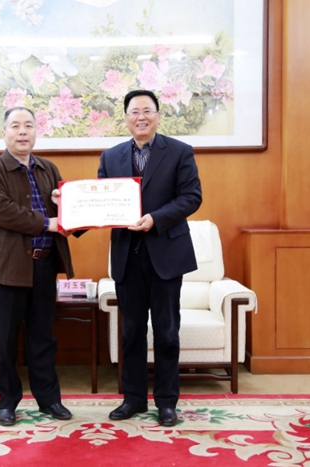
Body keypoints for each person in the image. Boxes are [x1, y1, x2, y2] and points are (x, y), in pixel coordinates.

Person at [98, 90, 202, 427]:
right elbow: (99, 200)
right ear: (125, 117)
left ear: (157, 115)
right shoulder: (110, 156)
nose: (140, 117)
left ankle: (167, 402)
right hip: (127, 256)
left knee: (167, 332)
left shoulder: (180, 151)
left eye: (147, 111)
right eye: (134, 111)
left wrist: (155, 218)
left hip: (166, 254)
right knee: (131, 333)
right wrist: (69, 204)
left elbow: (191, 197)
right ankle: (133, 398)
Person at [0, 106, 74, 427]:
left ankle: (49, 399)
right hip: (8, 268)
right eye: (16, 126)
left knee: (43, 336)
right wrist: (48, 223)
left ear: (36, 131)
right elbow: (3, 211)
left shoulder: (48, 168)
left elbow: (64, 215)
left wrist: (68, 208)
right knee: (5, 339)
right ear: (4, 133)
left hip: (44, 265)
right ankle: (7, 402)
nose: (22, 132)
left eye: (29, 126)